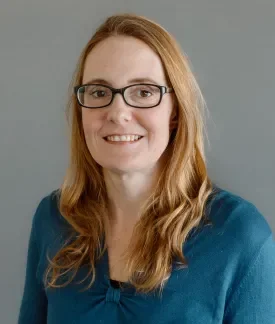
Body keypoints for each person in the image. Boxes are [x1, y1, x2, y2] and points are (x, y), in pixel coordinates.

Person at [18, 13, 275, 324]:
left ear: (175, 112)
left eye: (143, 92)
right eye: (99, 92)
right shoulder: (53, 219)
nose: (118, 113)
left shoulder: (239, 235)